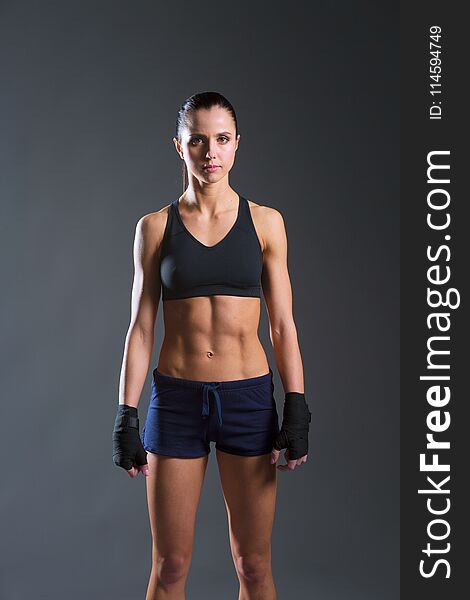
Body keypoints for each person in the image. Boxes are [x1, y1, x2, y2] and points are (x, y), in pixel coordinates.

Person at [112, 91, 311, 600]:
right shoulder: (154, 228)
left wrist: (297, 404)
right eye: (197, 140)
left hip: (247, 400)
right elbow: (141, 328)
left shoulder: (266, 222)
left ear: (237, 144)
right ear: (179, 147)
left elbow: (283, 325)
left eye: (221, 140)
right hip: (177, 401)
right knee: (171, 566)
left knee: (253, 564)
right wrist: (126, 414)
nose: (210, 152)